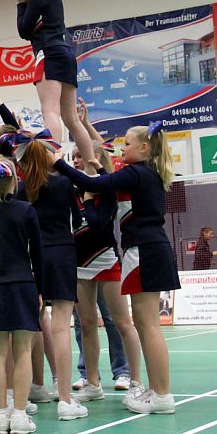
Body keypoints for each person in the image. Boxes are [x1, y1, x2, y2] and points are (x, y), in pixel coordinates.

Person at [53, 122, 180, 414]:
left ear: (144, 148)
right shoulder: (145, 172)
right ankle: (156, 390)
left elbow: (95, 185)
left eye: (127, 145)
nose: (122, 150)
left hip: (145, 251)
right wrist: (95, 158)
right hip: (150, 249)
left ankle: (161, 395)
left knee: (147, 326)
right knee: (147, 326)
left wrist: (58, 163)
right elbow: (106, 173)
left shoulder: (136, 173)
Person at [14, 129, 87, 421]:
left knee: (31, 326)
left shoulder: (21, 189)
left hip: (32, 257)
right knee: (60, 327)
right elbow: (78, 220)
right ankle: (65, 398)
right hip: (61, 254)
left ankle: (26, 393)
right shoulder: (63, 184)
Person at [0, 155, 42, 434]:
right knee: (23, 350)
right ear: (14, 180)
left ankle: (1, 414)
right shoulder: (26, 211)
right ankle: (20, 413)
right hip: (22, 284)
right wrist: (42, 290)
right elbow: (37, 254)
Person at [70, 143, 141, 403]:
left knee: (122, 322)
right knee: (86, 324)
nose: (77, 161)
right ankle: (92, 383)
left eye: (82, 157)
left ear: (95, 160)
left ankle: (134, 380)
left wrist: (89, 200)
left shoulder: (107, 190)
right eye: (74, 157)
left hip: (106, 260)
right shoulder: (71, 191)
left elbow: (100, 225)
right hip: (79, 264)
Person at [15, 0, 94, 168]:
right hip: (66, 53)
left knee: (50, 109)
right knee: (71, 118)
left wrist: (21, 3)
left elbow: (24, 30)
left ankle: (53, 164)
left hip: (48, 53)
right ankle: (93, 166)